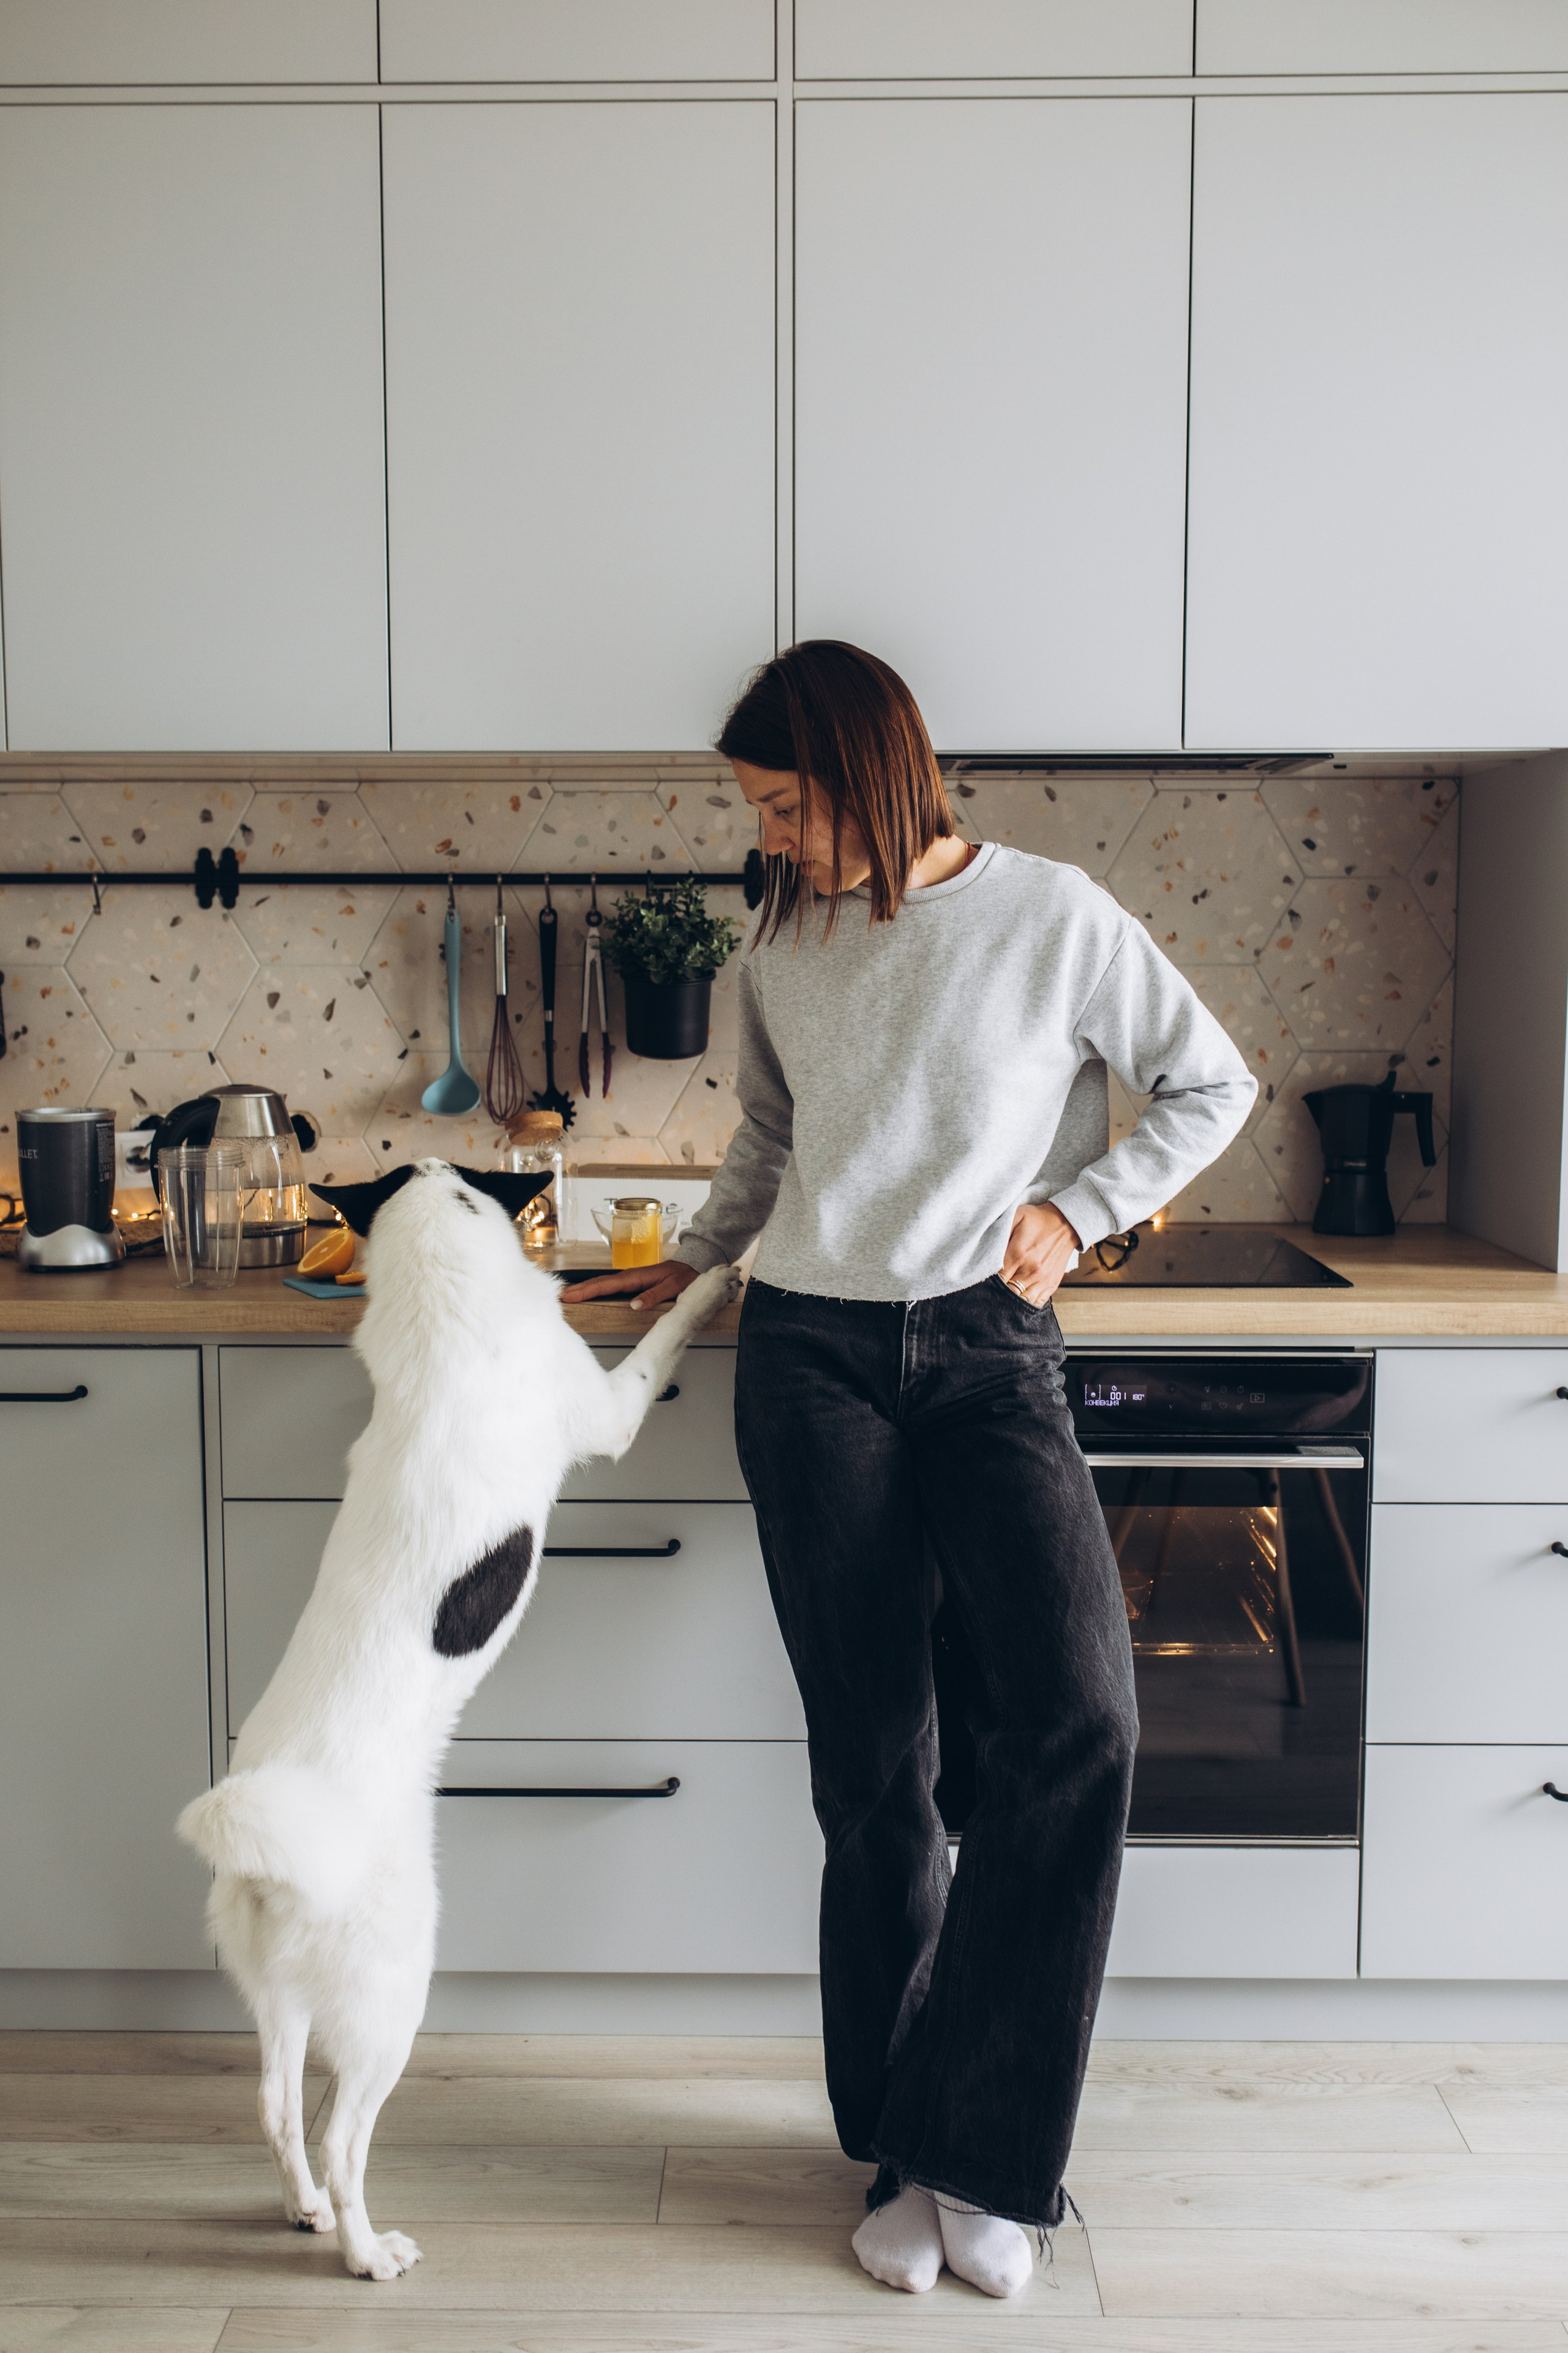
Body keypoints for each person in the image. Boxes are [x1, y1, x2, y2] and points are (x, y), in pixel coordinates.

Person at [562, 641, 1255, 2298]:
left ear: (876, 771)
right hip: (809, 1359)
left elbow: (1207, 1079)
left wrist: (1076, 1207)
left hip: (988, 1355)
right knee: (876, 1770)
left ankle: (985, 2149)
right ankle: (894, 2141)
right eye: (758, 810)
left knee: (1079, 1718)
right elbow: (775, 1138)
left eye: (789, 805)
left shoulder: (1053, 914)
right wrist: (695, 1262)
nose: (776, 837)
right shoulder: (783, 935)